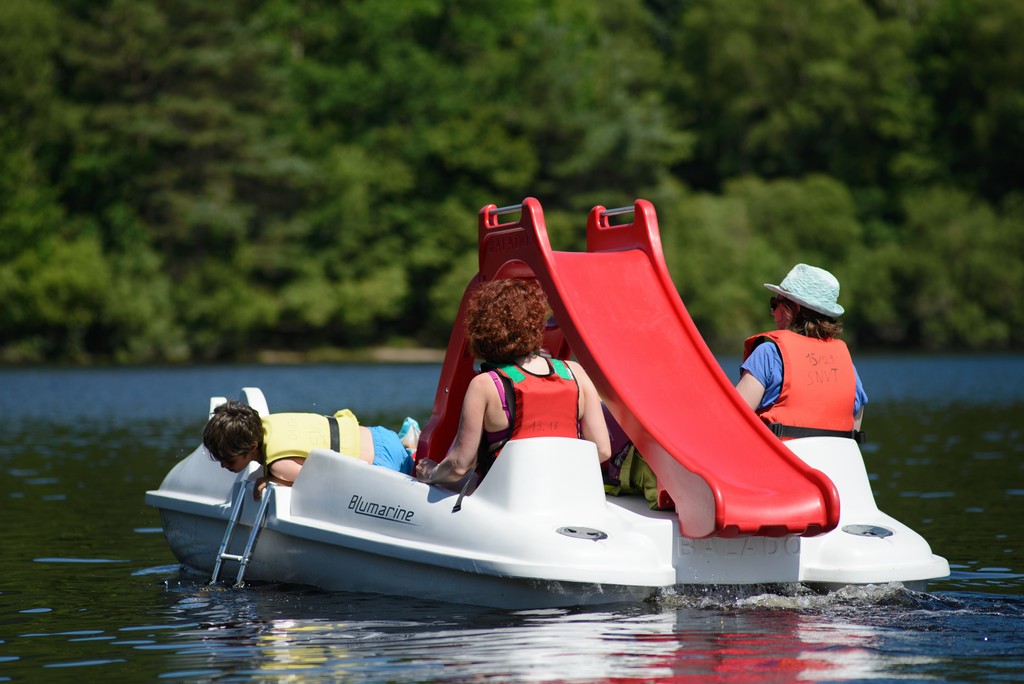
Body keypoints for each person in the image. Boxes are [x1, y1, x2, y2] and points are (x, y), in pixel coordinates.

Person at [415, 278, 611, 486]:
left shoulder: (484, 385)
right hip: (565, 490)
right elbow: (602, 450)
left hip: (506, 496)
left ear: (481, 329)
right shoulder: (574, 372)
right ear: (536, 324)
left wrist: (430, 473)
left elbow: (458, 466)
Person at [736, 263, 868, 440]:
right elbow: (855, 429)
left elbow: (732, 419)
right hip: (840, 457)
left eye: (775, 304)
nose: (773, 312)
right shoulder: (846, 365)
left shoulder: (768, 354)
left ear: (795, 308)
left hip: (782, 456)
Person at [203, 401, 415, 499]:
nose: (223, 465)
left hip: (384, 466)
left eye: (229, 460)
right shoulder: (267, 423)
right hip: (381, 435)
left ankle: (410, 454)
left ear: (252, 447)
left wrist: (271, 479)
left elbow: (319, 481)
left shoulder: (279, 465)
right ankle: (409, 445)